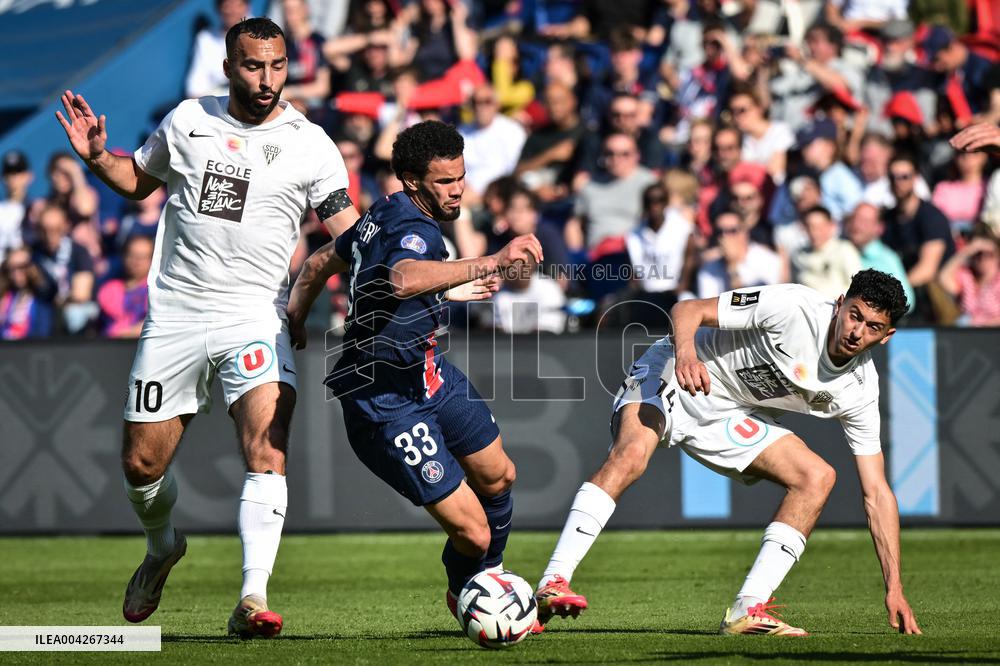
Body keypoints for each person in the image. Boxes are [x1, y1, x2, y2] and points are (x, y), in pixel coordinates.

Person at [55, 17, 359, 637]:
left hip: (255, 314)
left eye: (277, 66)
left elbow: (347, 231)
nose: (267, 79)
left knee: (267, 449)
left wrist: (417, 268)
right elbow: (137, 180)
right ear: (229, 68)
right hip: (176, 314)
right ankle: (163, 545)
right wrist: (95, 158)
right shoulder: (189, 119)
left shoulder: (311, 143)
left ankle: (252, 598)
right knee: (142, 466)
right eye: (253, 66)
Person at [534, 270, 922, 637]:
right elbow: (688, 309)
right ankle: (554, 580)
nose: (856, 332)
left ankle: (747, 609)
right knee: (633, 453)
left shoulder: (859, 389)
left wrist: (895, 587)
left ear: (886, 336)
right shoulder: (793, 306)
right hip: (673, 369)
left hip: (728, 413)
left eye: (872, 327)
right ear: (840, 304)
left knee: (816, 477)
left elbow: (877, 493)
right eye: (855, 315)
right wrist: (686, 354)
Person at [284, 120, 544, 632]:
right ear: (412, 181)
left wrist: (294, 318)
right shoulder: (416, 230)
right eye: (445, 181)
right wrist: (489, 260)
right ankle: (474, 589)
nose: (458, 189)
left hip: (428, 374)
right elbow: (403, 277)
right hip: (383, 399)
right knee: (474, 535)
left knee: (501, 475)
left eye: (461, 177)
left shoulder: (381, 215)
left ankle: (486, 588)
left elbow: (318, 264)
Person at [844, 202, 915, 312]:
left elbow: (907, 301)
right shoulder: (837, 249)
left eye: (864, 221)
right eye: (854, 219)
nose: (856, 225)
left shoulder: (887, 258)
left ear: (879, 228)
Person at [791, 205, 862, 299]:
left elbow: (857, 288)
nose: (813, 232)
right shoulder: (798, 255)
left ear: (831, 226)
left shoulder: (844, 250)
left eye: (818, 227)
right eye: (809, 227)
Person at [936, 234, 1000, 327]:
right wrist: (968, 250)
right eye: (978, 255)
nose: (983, 259)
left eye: (989, 255)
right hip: (968, 334)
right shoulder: (967, 277)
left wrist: (980, 326)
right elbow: (943, 278)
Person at [97, 235, 153, 338]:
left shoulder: (156, 292)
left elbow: (154, 324)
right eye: (132, 255)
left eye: (142, 257)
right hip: (108, 347)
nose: (136, 261)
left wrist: (126, 334)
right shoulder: (108, 289)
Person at [0, 246, 56, 339]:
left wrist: (36, 276)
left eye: (22, 267)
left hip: (31, 348)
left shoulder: (42, 296)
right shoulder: (6, 295)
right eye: (11, 268)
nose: (16, 273)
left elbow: (50, 288)